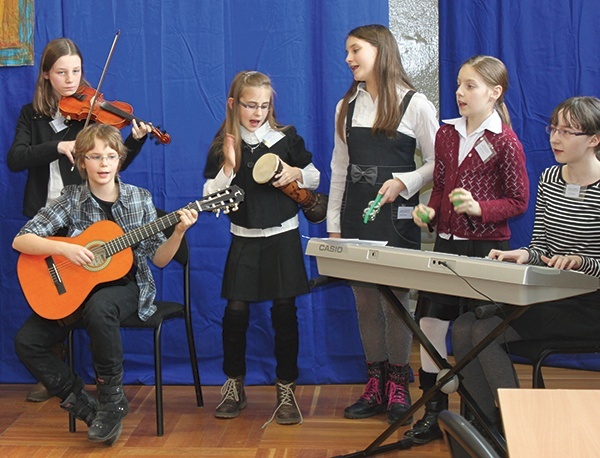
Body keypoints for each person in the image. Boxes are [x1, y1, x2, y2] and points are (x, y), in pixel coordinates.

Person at [13, 123, 197, 445]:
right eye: (95, 157)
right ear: (82, 161)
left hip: (127, 288)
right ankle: (87, 407)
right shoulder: (70, 198)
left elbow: (159, 260)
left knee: (101, 307)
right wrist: (66, 248)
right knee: (28, 341)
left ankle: (112, 400)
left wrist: (178, 232)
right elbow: (22, 240)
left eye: (111, 156)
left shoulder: (139, 199)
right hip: (76, 292)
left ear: (119, 160)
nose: (103, 164)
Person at [7, 37, 152, 402]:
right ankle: (55, 372)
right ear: (46, 75)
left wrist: (132, 143)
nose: (71, 80)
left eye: (76, 71)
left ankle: (100, 385)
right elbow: (16, 158)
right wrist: (57, 146)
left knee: (83, 287)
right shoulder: (32, 115)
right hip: (46, 212)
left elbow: (107, 170)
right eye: (61, 72)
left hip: (80, 214)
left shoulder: (89, 115)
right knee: (47, 293)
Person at [452, 96, 600, 431]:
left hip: (589, 303)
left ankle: (520, 429)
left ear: (594, 139)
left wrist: (580, 262)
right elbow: (541, 246)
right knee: (463, 327)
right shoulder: (550, 178)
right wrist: (522, 255)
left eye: (567, 132)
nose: (555, 138)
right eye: (553, 129)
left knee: (486, 332)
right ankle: (484, 427)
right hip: (548, 293)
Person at [407, 55, 529, 443]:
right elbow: (440, 188)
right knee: (429, 323)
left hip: (487, 250)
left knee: (476, 333)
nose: (460, 92)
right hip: (447, 245)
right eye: (459, 84)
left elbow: (519, 201)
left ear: (495, 93)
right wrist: (430, 211)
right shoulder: (446, 133)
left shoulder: (505, 141)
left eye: (470, 86)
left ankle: (480, 415)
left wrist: (480, 209)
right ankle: (434, 411)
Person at [326, 24, 439, 425]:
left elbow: (438, 161)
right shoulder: (346, 106)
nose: (348, 59)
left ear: (380, 51)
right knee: (365, 302)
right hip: (356, 213)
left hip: (397, 218)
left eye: (355, 50)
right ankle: (374, 383)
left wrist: (405, 182)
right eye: (347, 51)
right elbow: (340, 167)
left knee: (395, 302)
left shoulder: (416, 104)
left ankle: (398, 385)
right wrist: (334, 225)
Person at [203, 70, 320, 426]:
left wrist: (294, 173)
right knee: (235, 314)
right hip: (245, 238)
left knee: (285, 313)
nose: (256, 112)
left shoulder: (285, 137)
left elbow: (314, 175)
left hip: (283, 236)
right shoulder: (225, 142)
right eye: (249, 105)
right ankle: (234, 384)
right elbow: (210, 197)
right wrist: (229, 164)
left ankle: (286, 391)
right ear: (233, 104)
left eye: (263, 105)